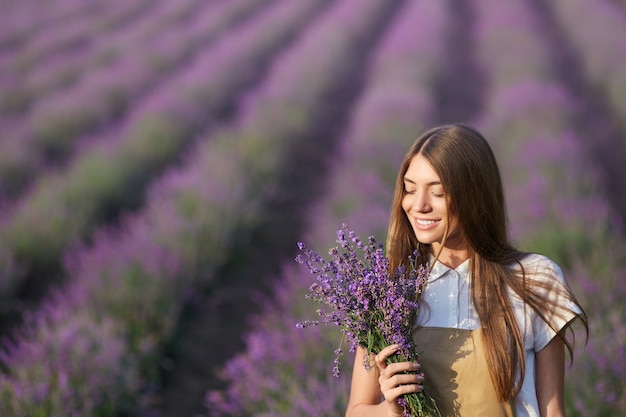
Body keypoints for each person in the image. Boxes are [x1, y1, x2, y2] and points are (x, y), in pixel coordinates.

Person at [344, 124, 587, 417]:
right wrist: (390, 410)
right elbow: (356, 411)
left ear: (474, 196)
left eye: (437, 192)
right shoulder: (387, 294)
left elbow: (553, 411)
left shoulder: (534, 278)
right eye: (409, 189)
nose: (417, 205)